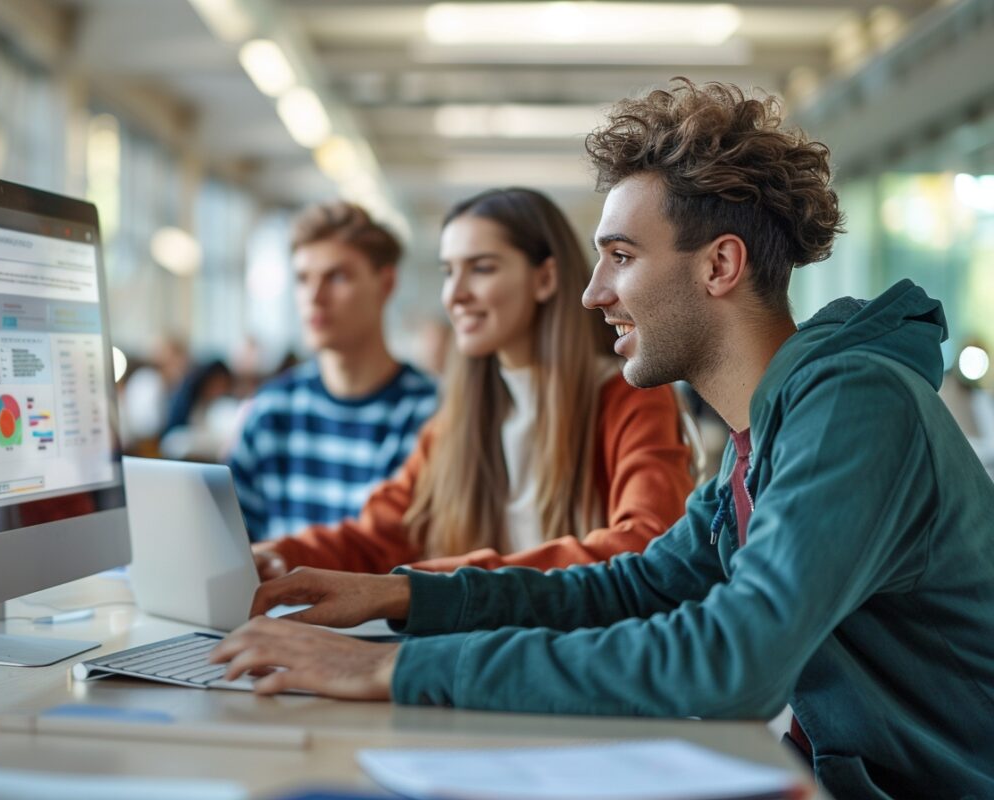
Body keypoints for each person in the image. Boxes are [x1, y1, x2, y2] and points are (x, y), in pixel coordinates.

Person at [211, 80, 994, 799]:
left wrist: (400, 666)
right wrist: (408, 594)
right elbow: (635, 587)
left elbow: (734, 661)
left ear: (721, 264)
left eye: (621, 257)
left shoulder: (855, 404)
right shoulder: (766, 434)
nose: (594, 294)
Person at [252, 187, 694, 580]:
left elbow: (645, 546)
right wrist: (281, 556)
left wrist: (438, 586)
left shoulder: (629, 399)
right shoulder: (457, 419)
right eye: (448, 272)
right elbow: (380, 538)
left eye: (481, 268)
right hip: (474, 651)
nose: (455, 295)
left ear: (545, 278)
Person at [229, 201, 437, 541]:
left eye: (337, 277)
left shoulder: (430, 413)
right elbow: (231, 543)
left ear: (385, 284)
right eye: (302, 279)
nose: (314, 296)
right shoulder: (271, 410)